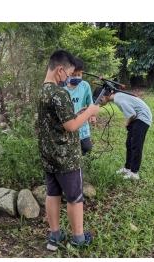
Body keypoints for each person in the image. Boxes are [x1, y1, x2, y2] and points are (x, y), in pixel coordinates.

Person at [37, 49, 100, 251]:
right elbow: (71, 126)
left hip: (49, 155)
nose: (71, 78)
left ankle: (54, 236)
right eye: (70, 74)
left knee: (52, 194)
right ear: (61, 70)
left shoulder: (43, 91)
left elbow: (60, 119)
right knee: (74, 197)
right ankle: (78, 238)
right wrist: (90, 110)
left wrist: (79, 113)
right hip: (67, 157)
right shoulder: (59, 92)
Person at [93, 87, 152, 180]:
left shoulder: (118, 100)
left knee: (136, 145)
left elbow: (133, 115)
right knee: (129, 144)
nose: (100, 104)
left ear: (103, 97)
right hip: (137, 118)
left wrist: (127, 122)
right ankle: (128, 167)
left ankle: (134, 172)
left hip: (142, 118)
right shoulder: (117, 97)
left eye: (99, 101)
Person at [64, 58, 96, 156]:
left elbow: (90, 103)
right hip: (69, 122)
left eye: (79, 75)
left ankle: (79, 159)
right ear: (68, 73)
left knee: (86, 146)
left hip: (82, 121)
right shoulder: (62, 89)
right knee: (71, 146)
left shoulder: (85, 86)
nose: (77, 77)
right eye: (74, 75)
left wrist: (92, 115)